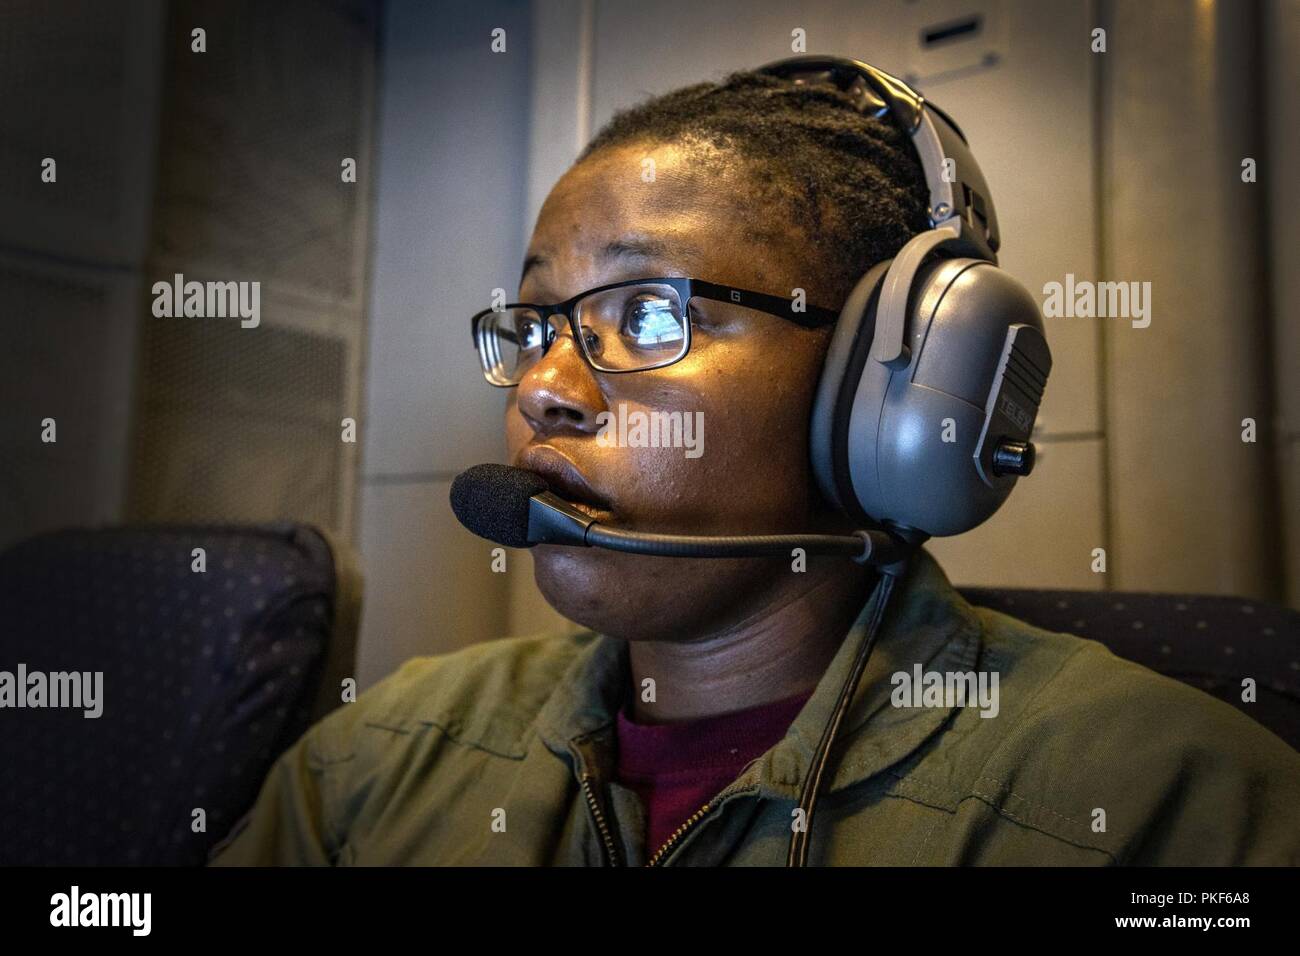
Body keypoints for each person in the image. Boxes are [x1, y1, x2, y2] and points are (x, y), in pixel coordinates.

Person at [210, 68, 1300, 866]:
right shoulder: (375, 759)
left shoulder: (1166, 801)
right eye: (537, 320)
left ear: (882, 382)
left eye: (646, 311)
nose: (543, 385)